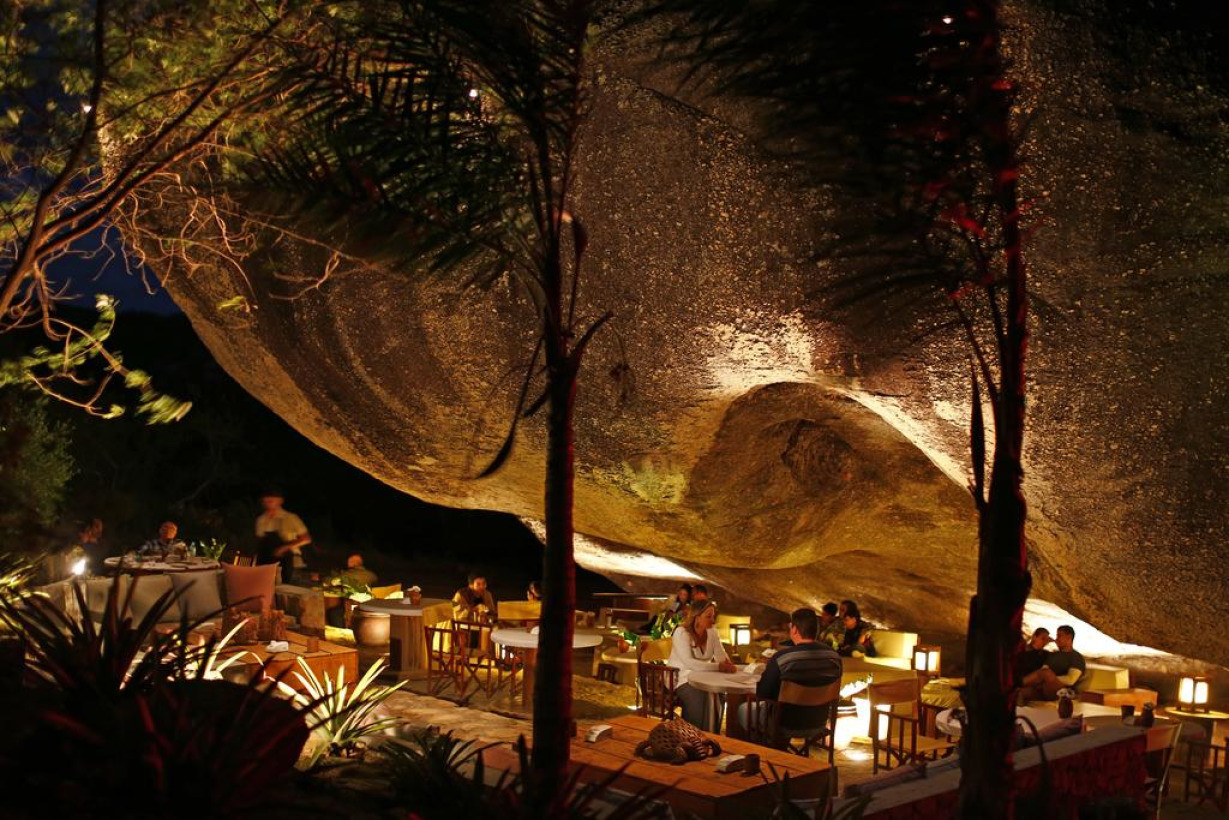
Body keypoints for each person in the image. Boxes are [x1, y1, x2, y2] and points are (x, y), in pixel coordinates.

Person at [739, 608, 842, 735]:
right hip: (819, 723)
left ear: (794, 629)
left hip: (784, 725)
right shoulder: (834, 657)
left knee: (743, 709)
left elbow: (763, 693)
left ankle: (766, 746)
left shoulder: (782, 658)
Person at [668, 600, 737, 728]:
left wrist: (727, 664)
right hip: (681, 678)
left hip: (703, 677)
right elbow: (690, 663)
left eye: (713, 616)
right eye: (708, 616)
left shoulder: (712, 632)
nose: (713, 620)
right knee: (699, 694)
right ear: (697, 617)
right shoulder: (681, 632)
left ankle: (712, 733)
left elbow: (720, 655)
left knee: (719, 692)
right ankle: (692, 733)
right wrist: (718, 667)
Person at [254, 489, 311, 583]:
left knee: (283, 587)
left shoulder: (290, 518)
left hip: (286, 560)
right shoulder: (260, 519)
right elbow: (260, 541)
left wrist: (284, 548)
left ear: (280, 501)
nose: (267, 504)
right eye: (265, 502)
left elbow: (306, 538)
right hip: (265, 561)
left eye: (270, 501)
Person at [1018, 624, 1086, 701]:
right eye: (1057, 636)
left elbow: (1071, 680)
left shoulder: (1076, 657)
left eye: (1059, 636)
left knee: (1046, 673)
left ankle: (1017, 683)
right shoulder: (1052, 655)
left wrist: (1049, 678)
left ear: (1069, 637)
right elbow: (1040, 670)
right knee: (1020, 693)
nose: (1056, 639)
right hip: (1044, 688)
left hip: (1061, 690)